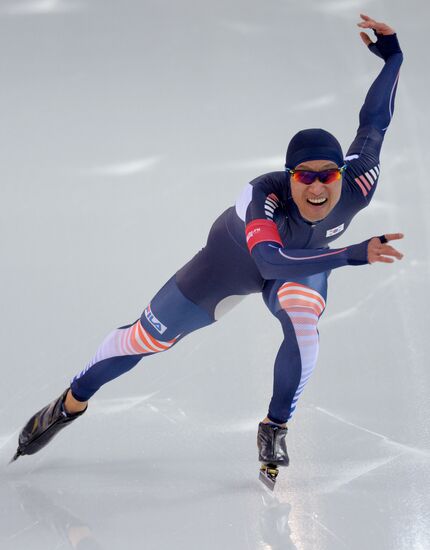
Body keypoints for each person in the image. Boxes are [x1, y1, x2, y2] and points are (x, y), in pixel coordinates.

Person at [12, 14, 404, 481]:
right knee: (143, 339)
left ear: (343, 173)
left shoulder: (360, 181)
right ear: (289, 176)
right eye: (306, 176)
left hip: (299, 267)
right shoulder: (263, 196)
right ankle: (69, 404)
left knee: (304, 331)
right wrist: (352, 254)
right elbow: (269, 260)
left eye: (328, 175)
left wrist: (394, 57)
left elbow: (374, 120)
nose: (318, 188)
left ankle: (274, 426)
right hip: (231, 265)